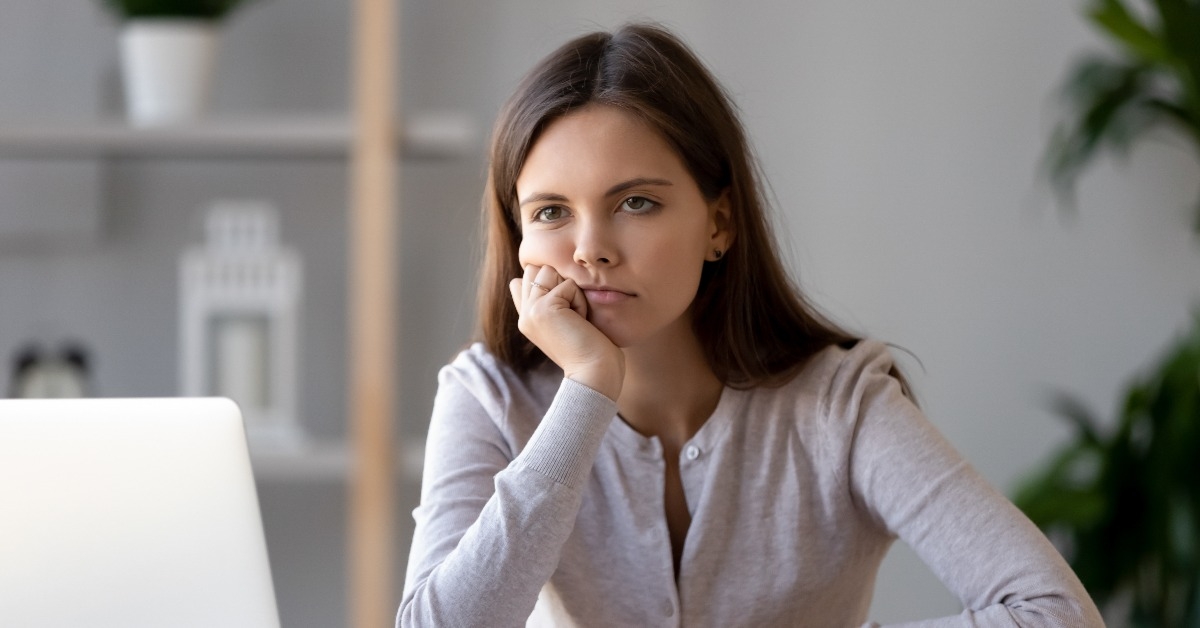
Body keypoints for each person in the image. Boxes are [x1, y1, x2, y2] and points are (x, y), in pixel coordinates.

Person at [398, 22, 1103, 627]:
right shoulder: (489, 396)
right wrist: (586, 391)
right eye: (551, 212)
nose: (590, 250)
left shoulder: (840, 405)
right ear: (518, 240)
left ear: (720, 223)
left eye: (636, 202)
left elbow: (1056, 612)